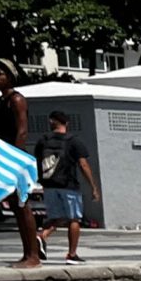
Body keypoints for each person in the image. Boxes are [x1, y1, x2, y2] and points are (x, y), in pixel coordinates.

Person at [0, 64, 45, 266]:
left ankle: (33, 255)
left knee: (22, 204)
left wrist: (14, 158)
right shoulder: (0, 102)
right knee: (15, 205)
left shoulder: (17, 100)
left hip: (15, 157)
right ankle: (27, 252)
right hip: (5, 156)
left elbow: (22, 131)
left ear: (11, 77)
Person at [32, 112, 98, 262]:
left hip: (49, 185)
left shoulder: (43, 141)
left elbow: (36, 161)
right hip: (68, 185)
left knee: (56, 217)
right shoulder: (73, 141)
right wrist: (93, 186)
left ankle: (42, 236)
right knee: (74, 219)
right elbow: (83, 164)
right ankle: (72, 254)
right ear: (66, 123)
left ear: (51, 122)